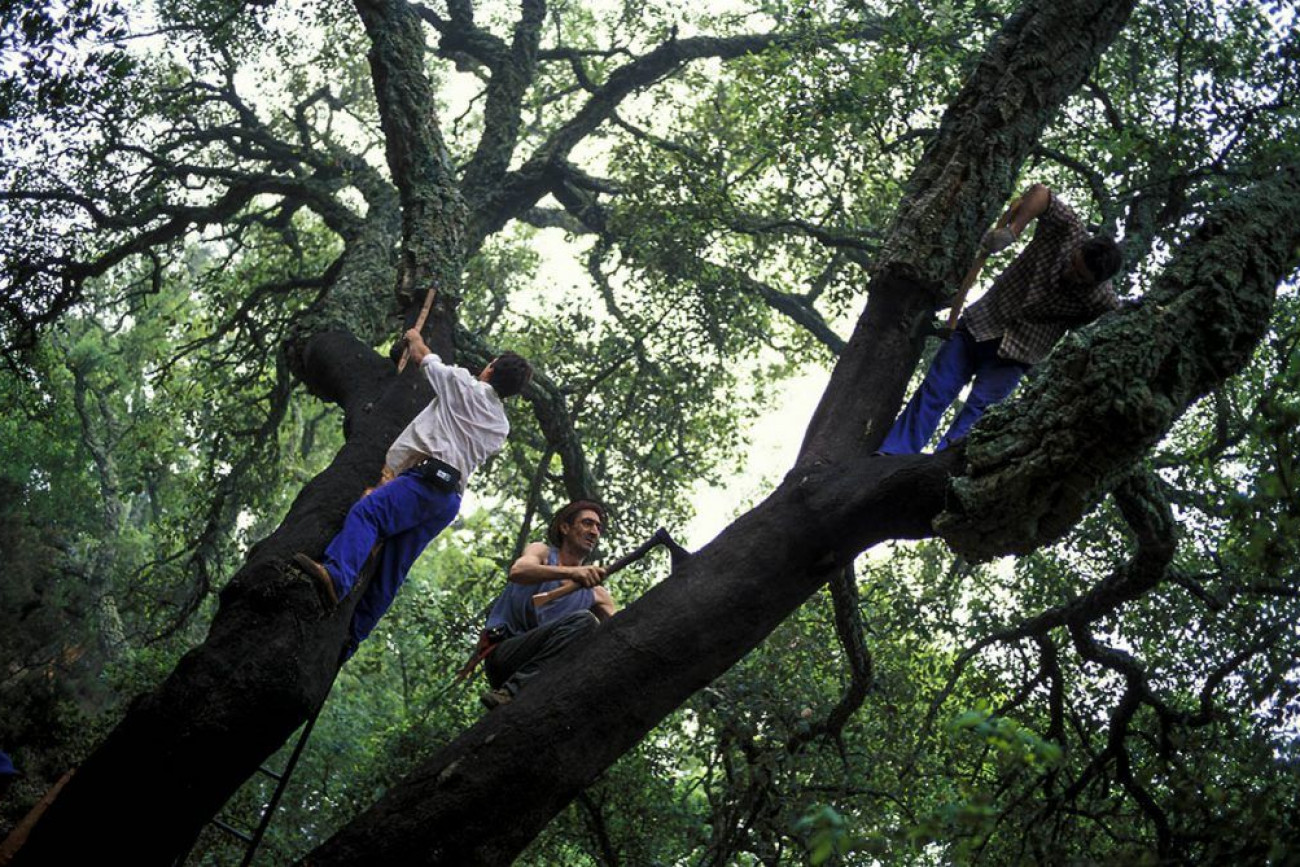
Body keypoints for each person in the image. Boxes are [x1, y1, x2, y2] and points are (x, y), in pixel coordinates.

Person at [295, 328, 532, 654]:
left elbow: (423, 356)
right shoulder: (500, 426)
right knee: (394, 567)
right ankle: (352, 638)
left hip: (425, 481)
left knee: (369, 512)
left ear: (490, 368)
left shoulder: (462, 385)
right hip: (449, 500)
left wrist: (414, 335)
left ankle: (337, 576)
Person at [878, 183, 1122, 454]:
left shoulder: (1101, 300)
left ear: (1095, 283)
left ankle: (937, 472)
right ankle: (894, 453)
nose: (1070, 274)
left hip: (1015, 357)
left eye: (1080, 278)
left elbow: (1115, 329)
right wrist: (1012, 231)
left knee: (976, 420)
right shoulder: (1070, 231)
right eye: (1073, 264)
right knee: (934, 391)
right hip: (979, 325)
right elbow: (1041, 193)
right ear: (1080, 248)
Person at [478, 500, 617, 710]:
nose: (594, 532)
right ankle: (512, 691)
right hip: (506, 654)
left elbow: (620, 630)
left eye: (598, 527)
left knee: (590, 631)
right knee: (585, 621)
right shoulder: (542, 553)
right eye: (587, 523)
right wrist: (572, 573)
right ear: (565, 528)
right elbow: (518, 572)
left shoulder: (597, 595)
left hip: (546, 667)